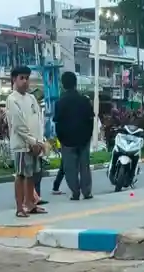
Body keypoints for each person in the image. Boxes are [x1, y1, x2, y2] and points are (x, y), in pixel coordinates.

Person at [7, 66, 46, 217]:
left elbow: (38, 120)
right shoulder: (12, 99)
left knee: (31, 175)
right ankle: (19, 208)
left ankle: (30, 204)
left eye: (27, 78)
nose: (25, 81)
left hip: (34, 143)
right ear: (14, 80)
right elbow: (18, 125)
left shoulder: (31, 98)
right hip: (22, 145)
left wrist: (39, 142)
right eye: (21, 78)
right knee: (21, 175)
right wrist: (32, 141)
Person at [53, 70, 95, 201]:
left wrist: (61, 138)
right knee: (85, 167)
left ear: (63, 85)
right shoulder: (84, 100)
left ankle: (75, 192)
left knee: (70, 169)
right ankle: (87, 192)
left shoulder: (60, 103)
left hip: (67, 140)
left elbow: (57, 122)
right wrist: (88, 135)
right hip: (83, 139)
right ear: (75, 84)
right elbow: (90, 120)